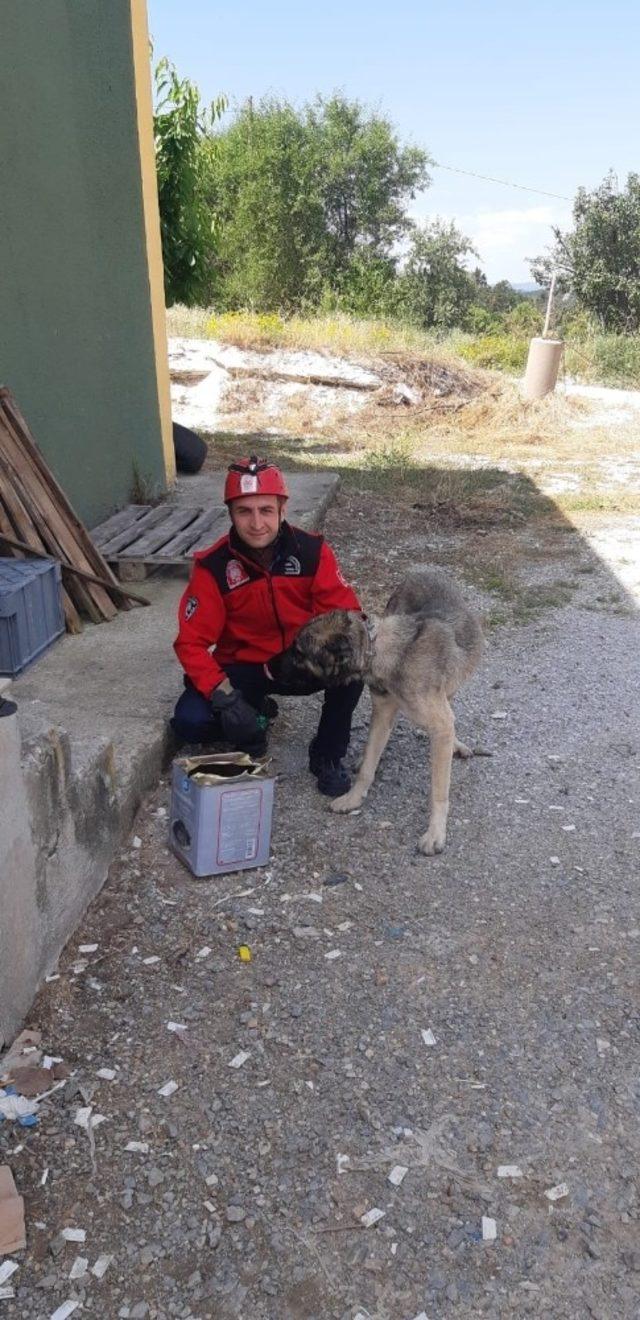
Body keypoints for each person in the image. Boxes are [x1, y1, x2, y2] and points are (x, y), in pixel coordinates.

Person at [171, 456, 363, 796]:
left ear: (282, 509)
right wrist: (225, 696)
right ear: (230, 513)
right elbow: (191, 643)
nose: (256, 523)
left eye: (265, 510)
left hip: (302, 663)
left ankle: (327, 753)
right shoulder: (213, 567)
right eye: (245, 511)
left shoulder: (312, 552)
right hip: (250, 667)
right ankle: (257, 718)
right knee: (190, 721)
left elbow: (346, 614)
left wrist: (326, 654)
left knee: (352, 671)